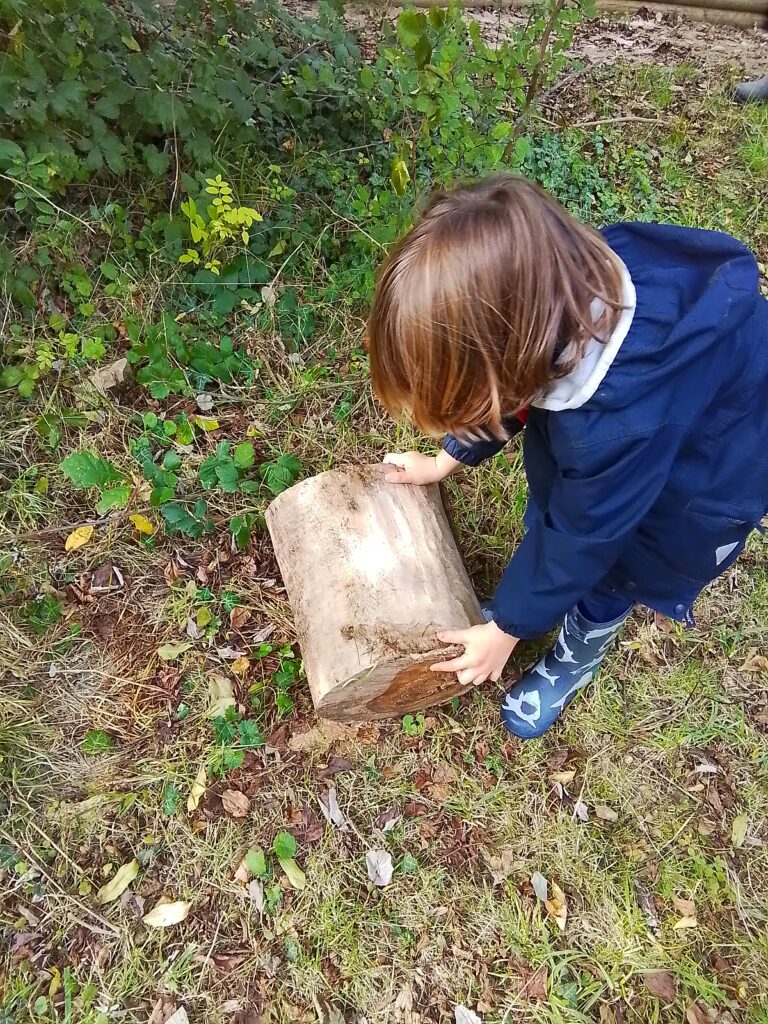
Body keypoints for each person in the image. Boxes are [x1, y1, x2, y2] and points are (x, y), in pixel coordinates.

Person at [367, 175, 768, 740]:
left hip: (706, 469)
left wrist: (506, 628)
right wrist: (447, 458)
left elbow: (585, 536)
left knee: (612, 571)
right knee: (564, 507)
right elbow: (508, 391)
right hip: (658, 421)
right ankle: (534, 606)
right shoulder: (556, 292)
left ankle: (575, 656)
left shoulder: (613, 427)